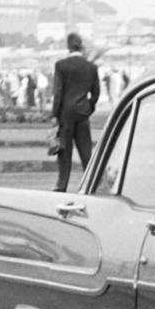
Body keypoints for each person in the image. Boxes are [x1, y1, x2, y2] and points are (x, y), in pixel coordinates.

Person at [49, 33, 99, 192]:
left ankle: (62, 184)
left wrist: (54, 115)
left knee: (64, 151)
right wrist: (88, 108)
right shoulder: (91, 67)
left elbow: (58, 93)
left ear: (68, 46)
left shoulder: (61, 65)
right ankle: (90, 183)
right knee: (85, 151)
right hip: (82, 113)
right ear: (81, 46)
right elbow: (96, 93)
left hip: (65, 113)